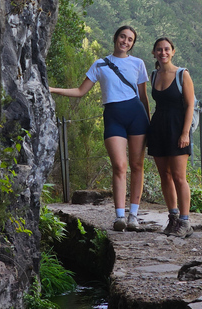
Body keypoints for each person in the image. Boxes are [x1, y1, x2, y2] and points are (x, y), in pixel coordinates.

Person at [50, 26, 150, 232]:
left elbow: (143, 97)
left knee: (137, 165)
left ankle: (133, 215)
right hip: (113, 118)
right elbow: (80, 91)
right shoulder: (100, 64)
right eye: (123, 37)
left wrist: (149, 123)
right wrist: (52, 89)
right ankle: (119, 216)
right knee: (119, 166)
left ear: (133, 44)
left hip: (137, 117)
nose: (125, 41)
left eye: (130, 39)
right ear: (115, 38)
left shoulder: (138, 63)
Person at [147, 37, 194, 238]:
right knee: (164, 175)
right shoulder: (154, 75)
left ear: (173, 51)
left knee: (179, 176)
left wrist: (185, 133)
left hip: (177, 127)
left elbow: (190, 104)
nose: (163, 52)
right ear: (154, 53)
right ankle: (173, 217)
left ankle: (185, 222)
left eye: (166, 49)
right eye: (159, 50)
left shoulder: (182, 74)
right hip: (158, 127)